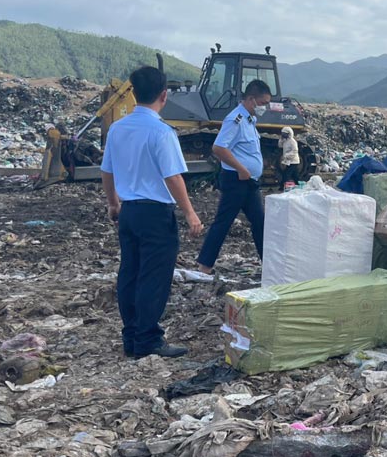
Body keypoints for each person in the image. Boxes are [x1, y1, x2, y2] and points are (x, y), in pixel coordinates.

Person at [101, 66, 203, 359]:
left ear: (132, 93)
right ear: (164, 95)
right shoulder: (162, 131)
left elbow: (106, 171)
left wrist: (113, 203)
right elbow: (173, 177)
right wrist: (190, 213)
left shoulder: (118, 128)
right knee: (153, 277)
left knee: (129, 273)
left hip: (129, 210)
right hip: (156, 213)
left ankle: (131, 336)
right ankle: (148, 339)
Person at [196, 80, 272, 274]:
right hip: (237, 180)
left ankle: (270, 265)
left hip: (249, 182)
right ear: (251, 99)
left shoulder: (249, 119)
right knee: (224, 221)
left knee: (259, 222)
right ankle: (204, 266)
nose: (265, 107)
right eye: (263, 103)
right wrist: (241, 168)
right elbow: (219, 147)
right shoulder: (235, 119)